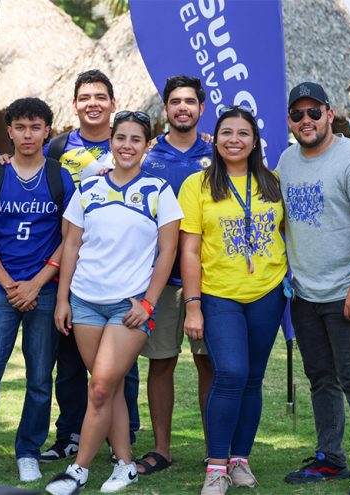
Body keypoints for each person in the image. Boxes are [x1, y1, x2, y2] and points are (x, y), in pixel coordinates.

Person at [45, 111, 182, 495]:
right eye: (121, 138)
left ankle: (78, 470)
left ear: (146, 145)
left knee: (101, 386)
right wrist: (62, 299)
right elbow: (72, 245)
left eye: (136, 139)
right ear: (111, 142)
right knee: (110, 387)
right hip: (85, 302)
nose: (127, 146)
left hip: (129, 306)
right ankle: (125, 465)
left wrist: (149, 303)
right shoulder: (88, 189)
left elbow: (168, 252)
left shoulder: (159, 190)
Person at [0, 98, 76, 489]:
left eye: (35, 127)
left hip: (45, 290)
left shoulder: (60, 177)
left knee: (40, 379)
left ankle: (28, 452)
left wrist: (37, 283)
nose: (28, 134)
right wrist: (10, 285)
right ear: (8, 131)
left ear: (47, 131)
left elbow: (70, 240)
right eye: (20, 127)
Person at [278, 82, 350, 495]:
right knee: (321, 377)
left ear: (329, 113)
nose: (305, 120)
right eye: (297, 114)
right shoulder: (287, 161)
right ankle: (330, 458)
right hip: (306, 293)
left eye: (313, 112)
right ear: (290, 121)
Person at [178, 106, 288, 494]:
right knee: (230, 373)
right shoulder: (197, 185)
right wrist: (193, 305)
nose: (234, 140)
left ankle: (240, 459)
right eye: (227, 132)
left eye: (243, 133)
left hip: (268, 293)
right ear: (216, 139)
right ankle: (216, 466)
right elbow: (190, 250)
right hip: (218, 295)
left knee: (253, 378)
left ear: (255, 141)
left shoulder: (273, 182)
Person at [40, 69, 141, 464]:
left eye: (100, 97)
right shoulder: (57, 146)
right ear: (74, 104)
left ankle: (123, 439)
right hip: (70, 266)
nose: (93, 103)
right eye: (85, 97)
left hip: (120, 276)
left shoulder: (128, 144)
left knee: (120, 367)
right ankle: (69, 433)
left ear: (113, 103)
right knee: (69, 362)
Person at [136, 75, 214, 475]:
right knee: (161, 362)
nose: (183, 107)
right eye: (175, 102)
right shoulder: (147, 156)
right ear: (165, 108)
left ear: (201, 108)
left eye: (189, 101)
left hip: (209, 279)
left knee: (209, 365)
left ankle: (215, 450)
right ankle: (161, 449)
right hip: (161, 280)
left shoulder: (218, 153)